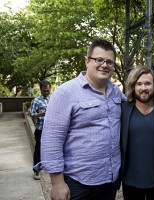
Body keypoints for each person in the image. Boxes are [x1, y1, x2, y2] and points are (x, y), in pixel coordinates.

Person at [35, 39, 126, 200]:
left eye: (109, 62)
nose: (104, 65)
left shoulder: (116, 93)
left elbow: (136, 107)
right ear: (87, 61)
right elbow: (51, 140)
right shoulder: (65, 93)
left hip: (110, 180)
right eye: (99, 60)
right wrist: (57, 183)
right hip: (78, 183)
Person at [120, 66, 154, 200]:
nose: (143, 88)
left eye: (147, 83)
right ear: (133, 86)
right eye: (139, 84)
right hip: (130, 182)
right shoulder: (122, 111)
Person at [28, 80, 51, 180]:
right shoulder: (36, 101)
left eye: (48, 90)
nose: (46, 92)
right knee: (38, 150)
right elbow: (31, 115)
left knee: (50, 149)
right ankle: (36, 170)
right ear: (41, 89)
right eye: (45, 90)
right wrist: (42, 114)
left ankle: (49, 168)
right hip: (40, 129)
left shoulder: (52, 98)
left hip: (51, 129)